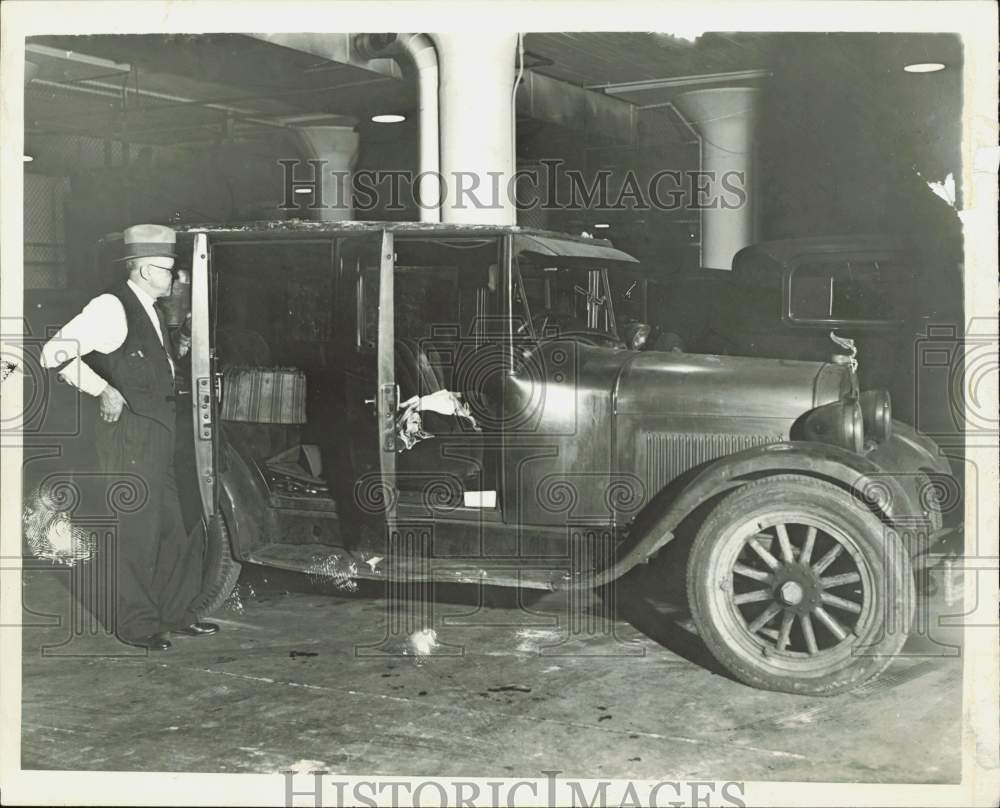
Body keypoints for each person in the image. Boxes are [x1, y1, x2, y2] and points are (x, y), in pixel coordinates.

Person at [41, 224, 218, 651]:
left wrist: (181, 347)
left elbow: (146, 366)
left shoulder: (152, 309)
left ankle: (174, 614)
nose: (175, 279)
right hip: (131, 438)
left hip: (161, 433)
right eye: (167, 270)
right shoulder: (110, 306)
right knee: (137, 532)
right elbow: (54, 352)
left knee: (176, 527)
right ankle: (137, 626)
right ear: (141, 270)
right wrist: (102, 389)